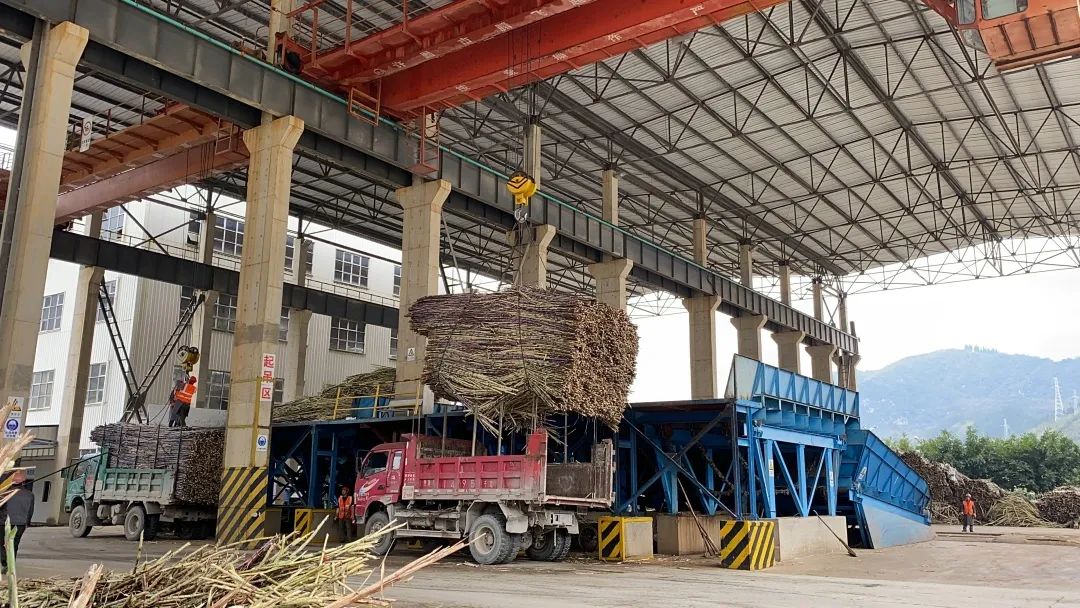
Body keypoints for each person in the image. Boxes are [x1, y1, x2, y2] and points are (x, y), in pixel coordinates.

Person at [0, 470, 34, 573]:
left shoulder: (5, 493)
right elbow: (30, 511)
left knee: (2, 544)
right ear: (23, 481)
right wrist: (27, 523)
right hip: (20, 523)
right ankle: (10, 565)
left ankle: (5, 563)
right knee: (14, 544)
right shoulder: (30, 494)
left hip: (4, 522)